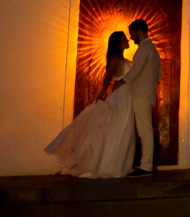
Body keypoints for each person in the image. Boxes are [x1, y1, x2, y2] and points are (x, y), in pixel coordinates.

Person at [44, 31, 137, 177]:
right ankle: (110, 165)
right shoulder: (114, 58)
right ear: (118, 43)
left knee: (124, 128)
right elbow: (108, 77)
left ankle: (120, 163)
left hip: (127, 96)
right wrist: (102, 92)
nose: (128, 40)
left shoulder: (123, 59)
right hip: (121, 96)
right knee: (117, 128)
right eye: (124, 39)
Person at [116, 18, 162, 176]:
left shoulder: (144, 49)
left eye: (132, 33)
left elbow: (136, 71)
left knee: (144, 130)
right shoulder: (153, 49)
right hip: (146, 92)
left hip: (140, 94)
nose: (131, 37)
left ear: (139, 32)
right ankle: (146, 164)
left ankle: (146, 166)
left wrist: (122, 81)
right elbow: (159, 74)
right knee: (145, 129)